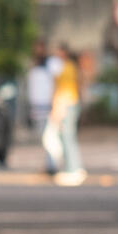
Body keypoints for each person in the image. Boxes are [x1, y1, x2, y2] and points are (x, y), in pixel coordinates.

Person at [48, 43, 84, 186]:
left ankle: (73, 169)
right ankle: (71, 168)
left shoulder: (65, 68)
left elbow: (64, 91)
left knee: (67, 137)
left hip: (66, 105)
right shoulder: (67, 67)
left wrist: (57, 109)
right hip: (68, 104)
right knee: (66, 137)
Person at [25, 42, 58, 173]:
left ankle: (52, 165)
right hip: (37, 106)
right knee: (44, 138)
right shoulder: (35, 64)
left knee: (49, 137)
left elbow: (57, 82)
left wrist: (55, 103)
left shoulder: (50, 63)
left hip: (48, 106)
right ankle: (49, 164)